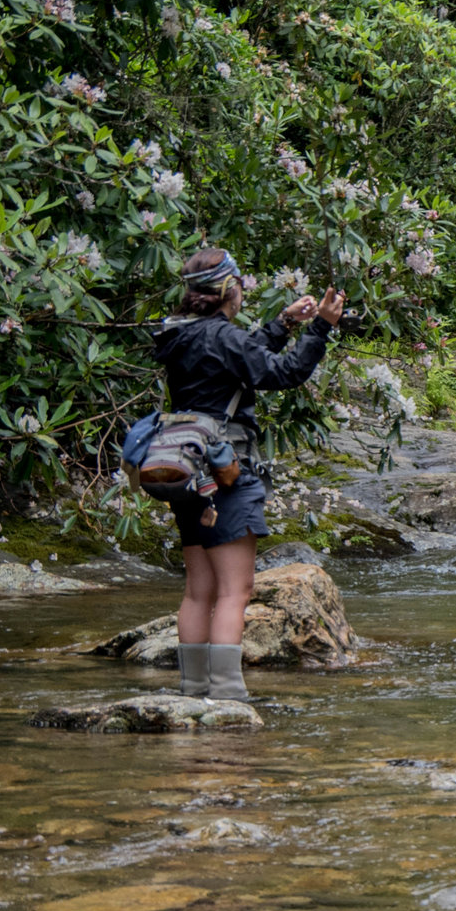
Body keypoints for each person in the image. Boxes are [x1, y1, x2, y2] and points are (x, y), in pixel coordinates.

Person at [152, 246, 343, 701]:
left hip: (185, 471)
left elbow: (239, 357)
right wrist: (321, 327)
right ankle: (228, 696)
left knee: (199, 592)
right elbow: (284, 373)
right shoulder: (222, 338)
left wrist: (285, 322)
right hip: (226, 474)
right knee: (235, 592)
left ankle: (193, 689)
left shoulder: (180, 335)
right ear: (229, 289)